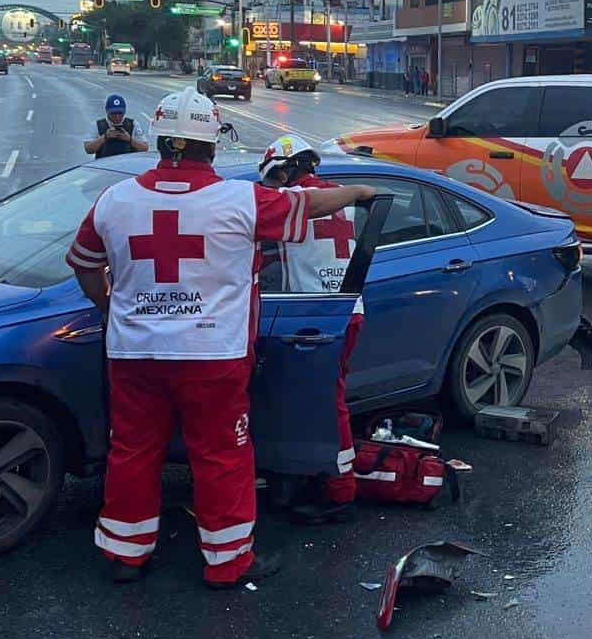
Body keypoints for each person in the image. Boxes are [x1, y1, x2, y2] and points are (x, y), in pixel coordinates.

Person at [66, 87, 374, 589]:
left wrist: (109, 306)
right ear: (210, 145)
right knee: (222, 455)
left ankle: (126, 553)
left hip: (133, 354)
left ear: (163, 139)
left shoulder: (115, 199)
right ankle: (227, 561)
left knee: (134, 450)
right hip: (213, 357)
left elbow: (82, 264)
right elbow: (311, 204)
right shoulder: (239, 199)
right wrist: (358, 193)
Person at [256, 133, 361, 524]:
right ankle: (308, 478)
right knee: (318, 402)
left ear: (286, 171)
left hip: (313, 315)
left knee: (326, 405)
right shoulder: (343, 197)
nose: (270, 188)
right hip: (348, 311)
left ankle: (340, 492)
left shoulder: (289, 203)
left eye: (273, 179)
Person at [83, 94, 149, 159]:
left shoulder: (133, 124)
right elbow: (88, 149)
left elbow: (145, 148)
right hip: (104, 165)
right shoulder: (97, 125)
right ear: (106, 111)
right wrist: (105, 137)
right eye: (113, 114)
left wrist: (129, 139)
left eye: (120, 113)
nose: (117, 117)